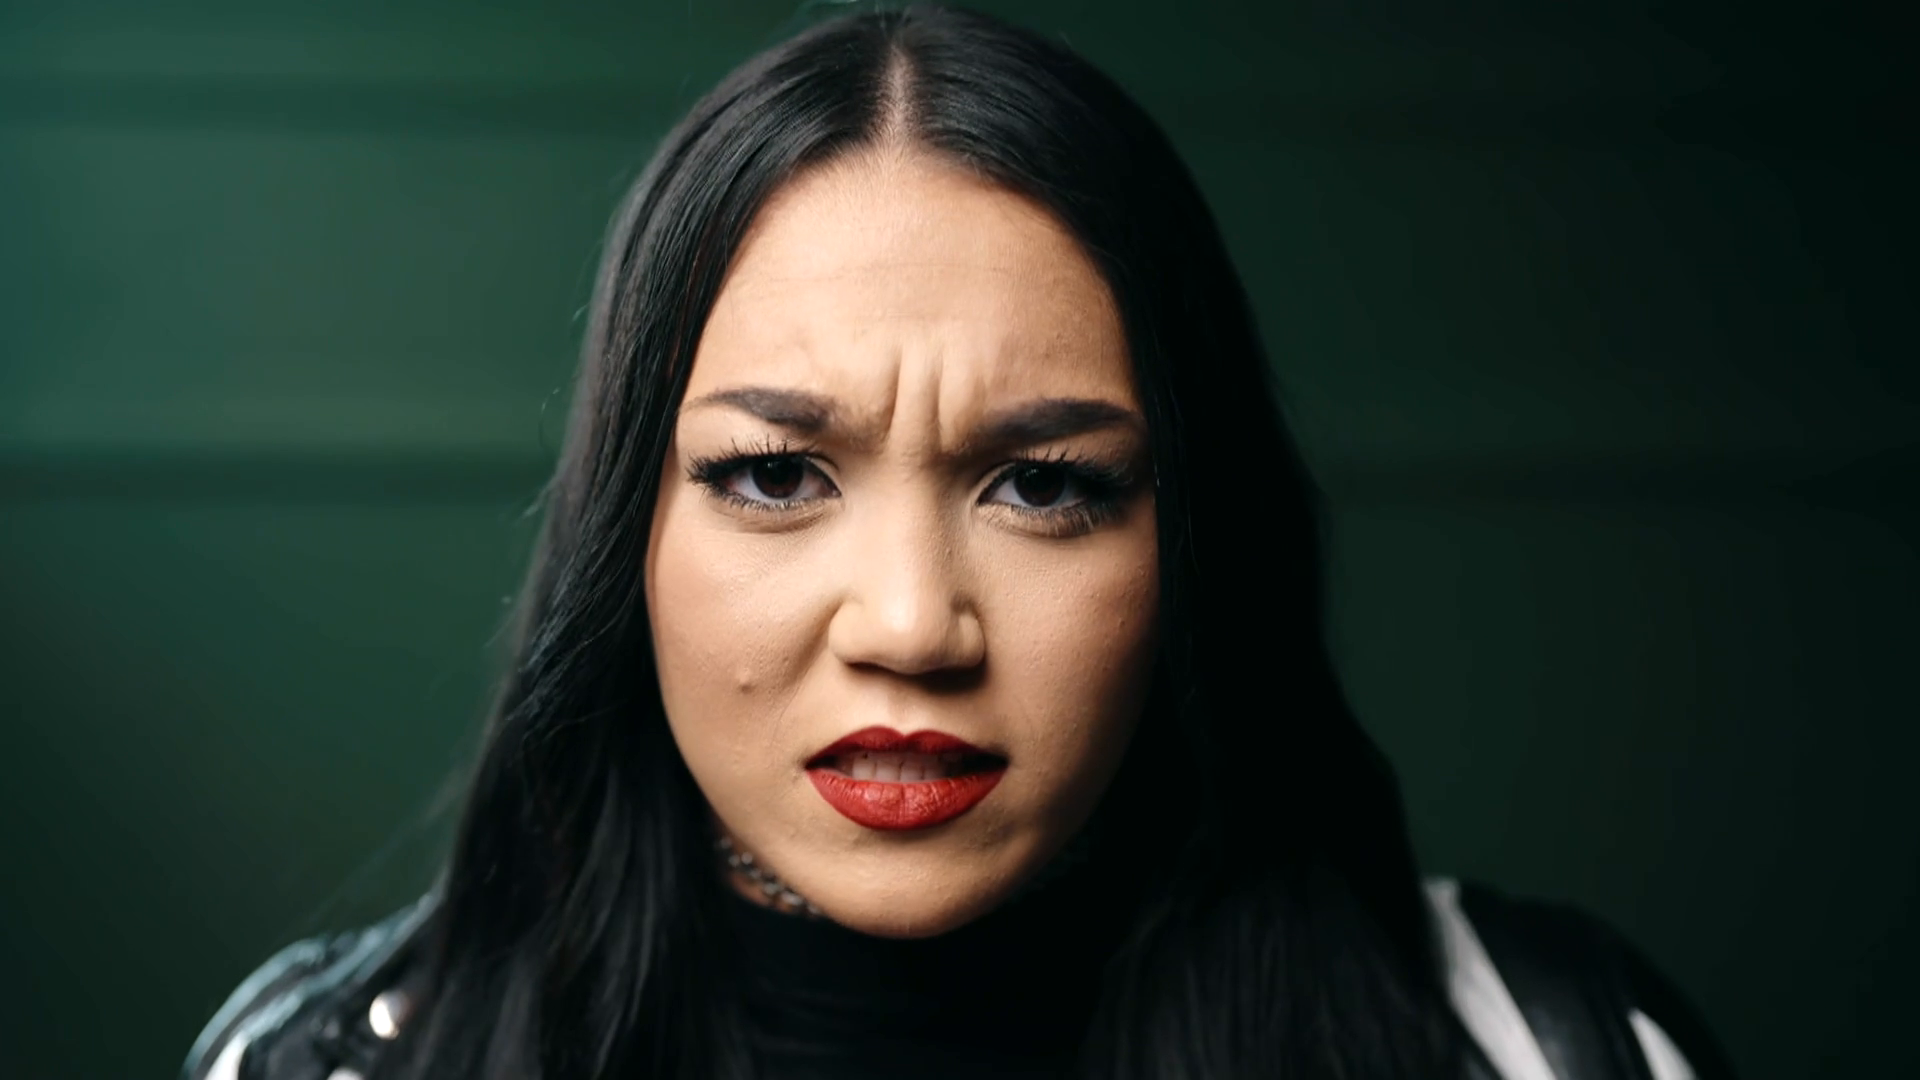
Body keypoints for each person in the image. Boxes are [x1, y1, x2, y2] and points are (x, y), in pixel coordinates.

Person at [182, 6, 1737, 1079]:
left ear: (1194, 544)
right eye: (776, 474)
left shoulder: (1544, 1046)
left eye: (1044, 487)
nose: (912, 625)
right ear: (624, 536)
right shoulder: (319, 1064)